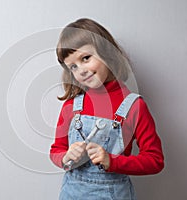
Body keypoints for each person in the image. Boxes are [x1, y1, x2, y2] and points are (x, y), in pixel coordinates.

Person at [49, 18, 164, 199]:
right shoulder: (71, 106)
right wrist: (66, 157)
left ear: (107, 53)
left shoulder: (134, 107)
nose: (81, 70)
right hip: (71, 193)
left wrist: (112, 161)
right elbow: (56, 150)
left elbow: (155, 160)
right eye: (73, 66)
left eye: (85, 58)